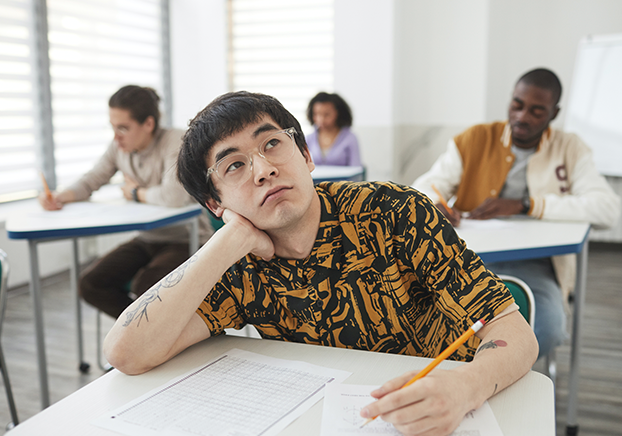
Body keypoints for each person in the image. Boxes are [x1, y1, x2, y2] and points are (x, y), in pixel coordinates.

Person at [104, 91, 537, 436]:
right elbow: (126, 352)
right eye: (234, 165)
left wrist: (468, 386)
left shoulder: (394, 213)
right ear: (215, 202)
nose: (263, 169)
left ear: (306, 156)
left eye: (272, 143)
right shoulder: (238, 264)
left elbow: (513, 332)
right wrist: (228, 240)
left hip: (448, 410)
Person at [412, 68, 620, 360]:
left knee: (546, 327)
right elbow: (423, 186)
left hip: (535, 264)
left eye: (536, 111)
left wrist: (527, 205)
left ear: (554, 113)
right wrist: (436, 204)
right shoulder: (475, 139)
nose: (522, 116)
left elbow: (607, 209)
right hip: (470, 257)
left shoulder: (569, 148)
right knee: (429, 323)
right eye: (517, 105)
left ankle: (490, 377)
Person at [38, 85, 213, 318]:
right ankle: (142, 332)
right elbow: (92, 179)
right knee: (90, 284)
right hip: (148, 238)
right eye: (112, 127)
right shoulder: (119, 146)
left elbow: (173, 197)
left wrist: (135, 192)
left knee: (147, 289)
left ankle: (150, 333)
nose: (115, 136)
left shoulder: (176, 141)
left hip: (187, 239)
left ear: (148, 124)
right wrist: (60, 197)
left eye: (123, 128)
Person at [305, 91, 362, 166]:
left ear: (338, 113)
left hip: (343, 178)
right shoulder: (308, 139)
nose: (321, 120)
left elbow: (356, 168)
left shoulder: (350, 138)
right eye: (317, 114)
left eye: (327, 115)